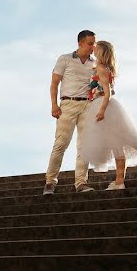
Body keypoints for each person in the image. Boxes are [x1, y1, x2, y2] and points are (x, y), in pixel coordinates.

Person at [78, 40, 137, 190]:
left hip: (104, 106)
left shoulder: (101, 68)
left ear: (102, 52)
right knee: (118, 146)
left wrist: (101, 110)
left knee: (128, 142)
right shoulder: (103, 67)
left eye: (97, 48)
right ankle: (120, 181)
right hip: (103, 106)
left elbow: (107, 94)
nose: (94, 50)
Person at [43, 29, 97, 195]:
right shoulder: (64, 59)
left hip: (87, 106)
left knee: (84, 146)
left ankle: (81, 182)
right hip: (68, 104)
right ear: (80, 43)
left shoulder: (95, 62)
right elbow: (54, 83)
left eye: (94, 43)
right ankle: (50, 183)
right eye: (90, 43)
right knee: (61, 144)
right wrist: (54, 105)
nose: (93, 46)